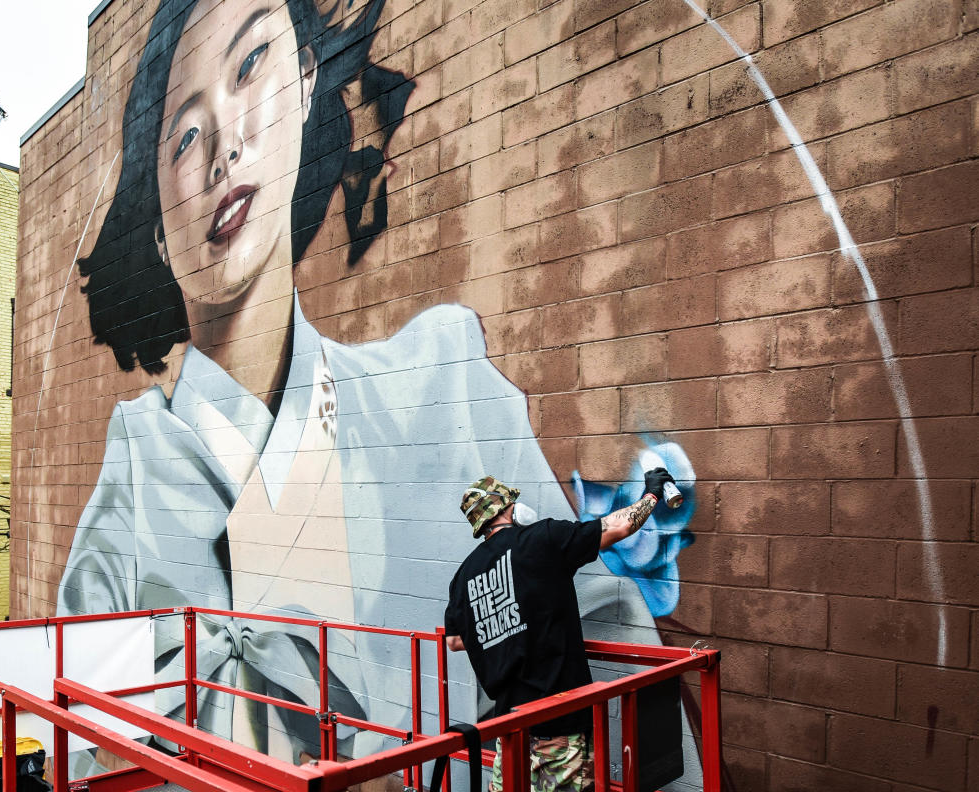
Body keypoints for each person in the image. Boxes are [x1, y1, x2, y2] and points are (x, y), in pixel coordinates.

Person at [54, 0, 699, 772]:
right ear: (156, 230)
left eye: (250, 63)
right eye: (187, 135)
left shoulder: (442, 380)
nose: (225, 146)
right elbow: (92, 747)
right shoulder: (133, 482)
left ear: (304, 81)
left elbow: (610, 634)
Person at [444, 470, 676, 792]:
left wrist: (502, 628)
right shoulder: (542, 539)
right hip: (561, 727)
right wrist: (651, 495)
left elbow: (455, 640)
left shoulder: (464, 577)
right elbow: (618, 526)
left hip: (510, 729)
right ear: (508, 509)